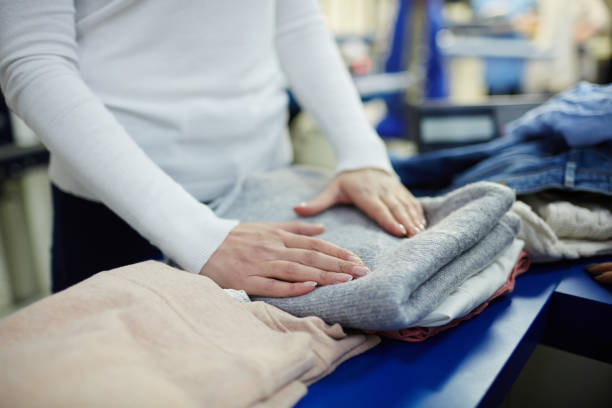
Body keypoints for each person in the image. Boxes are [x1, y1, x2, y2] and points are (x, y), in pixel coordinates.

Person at [0, 0, 426, 297]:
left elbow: (296, 21)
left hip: (267, 195)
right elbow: (33, 59)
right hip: (115, 214)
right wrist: (197, 237)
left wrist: (362, 154)